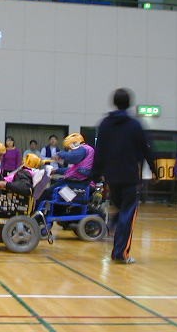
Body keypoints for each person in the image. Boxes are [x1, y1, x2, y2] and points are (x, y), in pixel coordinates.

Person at [92, 88, 156, 265]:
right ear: (129, 103)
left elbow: (100, 151)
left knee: (121, 210)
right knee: (128, 214)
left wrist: (95, 174)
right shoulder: (135, 125)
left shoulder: (105, 124)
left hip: (112, 178)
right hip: (130, 177)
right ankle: (121, 253)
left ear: (114, 102)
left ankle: (113, 226)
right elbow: (146, 149)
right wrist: (154, 169)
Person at [40, 133, 95, 202]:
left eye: (70, 148)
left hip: (76, 184)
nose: (71, 150)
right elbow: (71, 170)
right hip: (77, 183)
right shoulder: (85, 153)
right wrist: (56, 171)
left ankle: (38, 208)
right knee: (58, 195)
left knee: (48, 192)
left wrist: (59, 154)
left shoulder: (83, 149)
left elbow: (73, 157)